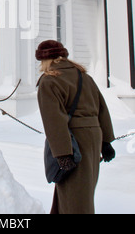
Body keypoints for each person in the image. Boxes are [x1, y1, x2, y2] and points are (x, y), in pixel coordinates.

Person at [36, 40, 116, 215]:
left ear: (46, 60)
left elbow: (54, 121)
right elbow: (101, 109)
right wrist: (106, 142)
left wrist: (63, 154)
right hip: (94, 138)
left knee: (75, 199)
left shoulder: (49, 81)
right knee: (81, 192)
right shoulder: (84, 77)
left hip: (73, 143)